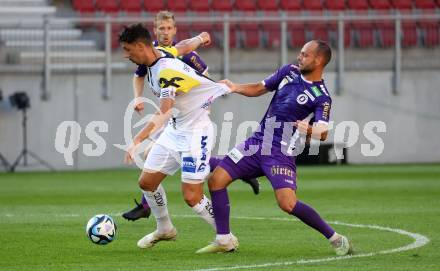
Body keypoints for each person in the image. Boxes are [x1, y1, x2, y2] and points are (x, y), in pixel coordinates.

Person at [196, 40, 352, 256]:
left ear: (318, 61)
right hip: (257, 143)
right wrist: (235, 87)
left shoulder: (322, 96)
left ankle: (336, 239)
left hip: (280, 153)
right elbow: (260, 88)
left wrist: (309, 130)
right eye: (300, 52)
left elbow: (323, 132)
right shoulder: (289, 71)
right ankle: (224, 239)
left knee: (287, 204)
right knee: (216, 180)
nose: (299, 57)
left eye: (305, 54)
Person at [122, 11, 259, 222]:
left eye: (169, 28)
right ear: (155, 31)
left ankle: (224, 231)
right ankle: (157, 218)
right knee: (150, 169)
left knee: (191, 194)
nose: (165, 32)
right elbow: (183, 46)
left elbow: (169, 106)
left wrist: (137, 139)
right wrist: (201, 38)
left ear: (174, 30)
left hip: (194, 126)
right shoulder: (157, 52)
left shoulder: (166, 67)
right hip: (177, 125)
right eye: (161, 28)